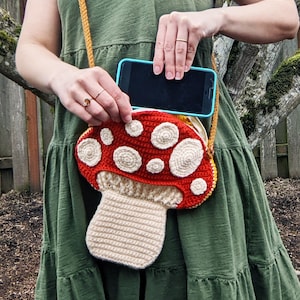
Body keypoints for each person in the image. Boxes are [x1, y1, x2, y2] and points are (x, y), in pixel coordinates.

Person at [16, 0, 300, 299]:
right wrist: (62, 76)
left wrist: (215, 18)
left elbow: (283, 17)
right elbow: (32, 46)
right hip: (93, 143)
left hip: (193, 151)